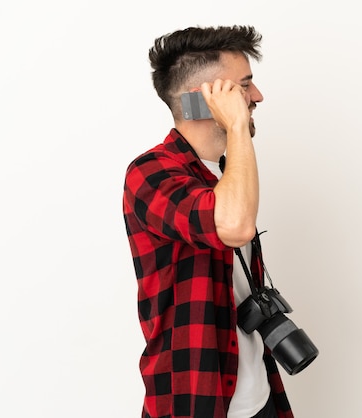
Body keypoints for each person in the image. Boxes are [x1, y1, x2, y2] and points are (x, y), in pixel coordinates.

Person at [123, 25, 293, 418]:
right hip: (196, 400)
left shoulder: (222, 174)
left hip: (259, 395)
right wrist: (236, 127)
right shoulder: (150, 174)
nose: (257, 97)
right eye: (244, 86)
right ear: (206, 101)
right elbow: (234, 226)